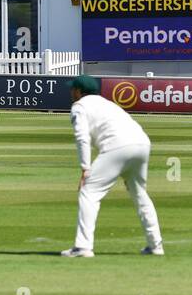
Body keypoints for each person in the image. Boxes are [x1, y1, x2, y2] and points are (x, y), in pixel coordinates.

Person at [62, 75, 163, 258]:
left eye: (72, 89)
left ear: (78, 91)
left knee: (89, 191)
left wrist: (85, 168)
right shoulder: (108, 104)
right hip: (142, 144)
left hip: (117, 146)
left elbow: (82, 137)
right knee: (139, 192)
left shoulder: (79, 107)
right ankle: (155, 245)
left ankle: (82, 247)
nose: (71, 92)